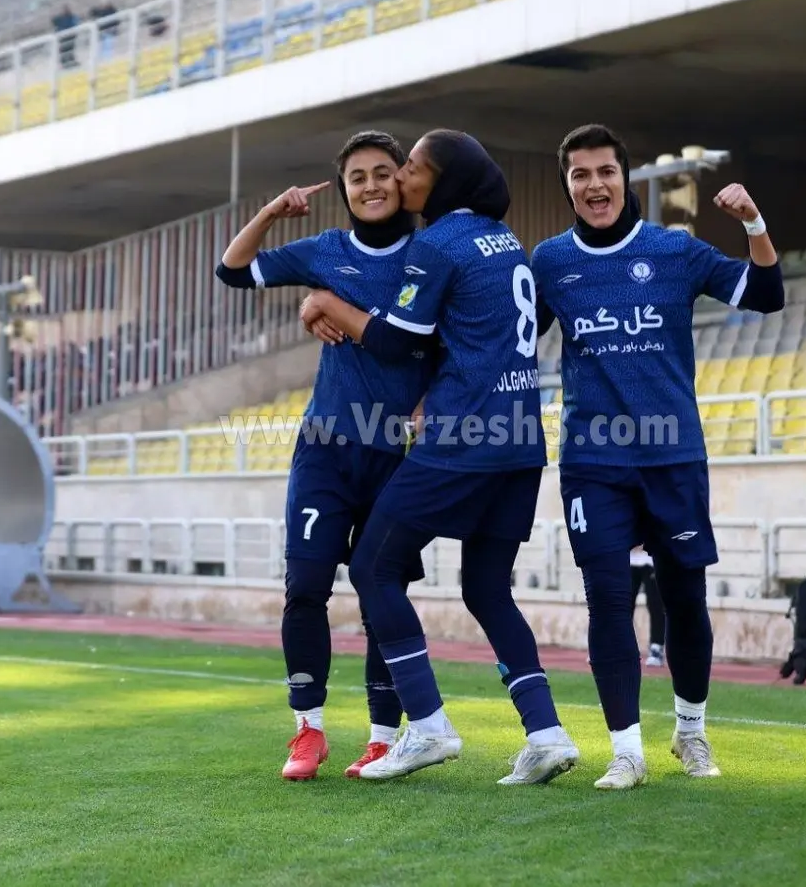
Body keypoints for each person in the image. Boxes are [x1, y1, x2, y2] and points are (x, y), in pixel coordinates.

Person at [298, 130, 579, 785]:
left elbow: (394, 341)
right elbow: (519, 323)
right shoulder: (502, 240)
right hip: (520, 440)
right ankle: (546, 732)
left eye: (414, 168)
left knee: (372, 565)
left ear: (445, 180)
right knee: (486, 587)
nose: (401, 179)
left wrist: (324, 299)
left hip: (464, 436)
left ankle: (425, 725)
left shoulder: (438, 243)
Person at [531, 123, 784, 789]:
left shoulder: (676, 251)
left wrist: (753, 221)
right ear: (568, 185)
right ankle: (626, 751)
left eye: (605, 171)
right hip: (592, 459)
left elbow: (766, 294)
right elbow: (510, 340)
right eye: (580, 175)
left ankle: (691, 733)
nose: (594, 185)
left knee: (685, 599)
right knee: (607, 601)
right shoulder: (550, 262)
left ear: (625, 176)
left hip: (672, 456)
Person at [214, 130, 437, 781]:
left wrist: (431, 403)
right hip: (326, 450)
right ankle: (307, 731)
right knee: (306, 587)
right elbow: (233, 270)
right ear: (344, 190)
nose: (370, 185)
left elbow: (443, 342)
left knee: (381, 592)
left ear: (403, 180)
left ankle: (380, 737)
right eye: (357, 177)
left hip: (395, 455)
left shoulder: (431, 256)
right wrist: (271, 213)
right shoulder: (323, 252)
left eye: (382, 173)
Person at [630, 546, 665, 667]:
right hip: (627, 559)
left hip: (652, 559)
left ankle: (657, 647)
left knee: (656, 605)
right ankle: (620, 647)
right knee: (623, 606)